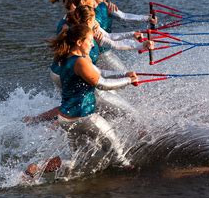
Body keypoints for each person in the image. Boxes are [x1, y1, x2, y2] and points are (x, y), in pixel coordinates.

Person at [23, 24, 139, 178]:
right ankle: (131, 177)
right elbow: (102, 84)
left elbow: (97, 73)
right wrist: (128, 81)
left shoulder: (65, 57)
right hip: (84, 117)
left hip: (66, 119)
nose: (92, 44)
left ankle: (37, 167)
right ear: (79, 42)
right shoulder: (80, 62)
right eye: (89, 41)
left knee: (77, 160)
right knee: (117, 150)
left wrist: (124, 75)